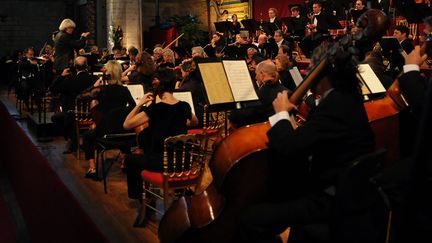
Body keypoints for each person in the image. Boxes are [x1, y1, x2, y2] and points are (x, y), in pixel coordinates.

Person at [237, 43, 375, 242]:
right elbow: (315, 136)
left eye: (312, 68)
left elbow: (289, 147)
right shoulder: (348, 97)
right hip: (350, 192)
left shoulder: (334, 105)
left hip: (331, 199)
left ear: (322, 74)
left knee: (251, 218)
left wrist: (282, 114)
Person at [122, 68, 198, 200]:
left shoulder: (155, 109)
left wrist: (140, 103)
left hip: (164, 163)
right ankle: (178, 190)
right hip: (184, 162)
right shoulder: (184, 106)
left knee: (130, 159)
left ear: (158, 85)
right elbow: (194, 122)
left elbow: (127, 124)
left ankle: (143, 198)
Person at [80, 60, 136, 179]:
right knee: (120, 128)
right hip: (124, 133)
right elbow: (133, 108)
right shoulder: (124, 90)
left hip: (105, 132)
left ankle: (92, 168)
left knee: (87, 136)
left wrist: (95, 85)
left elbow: (81, 96)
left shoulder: (101, 90)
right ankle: (125, 161)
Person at [50, 56, 97, 153]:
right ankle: (80, 140)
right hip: (92, 114)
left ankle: (72, 139)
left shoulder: (69, 79)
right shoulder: (95, 79)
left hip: (73, 114)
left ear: (74, 67)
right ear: (87, 66)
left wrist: (62, 76)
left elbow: (53, 89)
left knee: (55, 118)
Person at [229, 60, 288, 128]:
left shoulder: (262, 93)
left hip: (261, 132)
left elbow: (235, 116)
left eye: (256, 74)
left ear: (262, 74)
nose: (255, 77)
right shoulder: (285, 90)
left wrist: (233, 111)